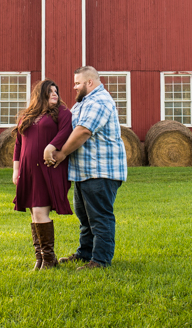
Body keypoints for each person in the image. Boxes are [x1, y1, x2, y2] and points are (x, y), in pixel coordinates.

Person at [45, 66, 127, 269]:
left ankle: (100, 260)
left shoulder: (100, 101)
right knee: (85, 217)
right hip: (84, 172)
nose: (74, 87)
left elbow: (82, 131)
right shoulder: (83, 103)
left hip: (100, 171)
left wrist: (62, 153)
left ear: (89, 83)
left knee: (100, 217)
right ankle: (85, 253)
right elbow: (66, 125)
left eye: (77, 83)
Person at [12, 79, 73, 270]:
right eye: (50, 91)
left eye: (56, 91)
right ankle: (40, 258)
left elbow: (66, 131)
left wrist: (51, 146)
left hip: (47, 168)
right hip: (28, 171)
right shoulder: (28, 115)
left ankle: (48, 259)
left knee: (39, 212)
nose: (55, 94)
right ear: (40, 94)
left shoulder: (62, 113)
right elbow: (18, 144)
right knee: (34, 213)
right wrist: (16, 169)